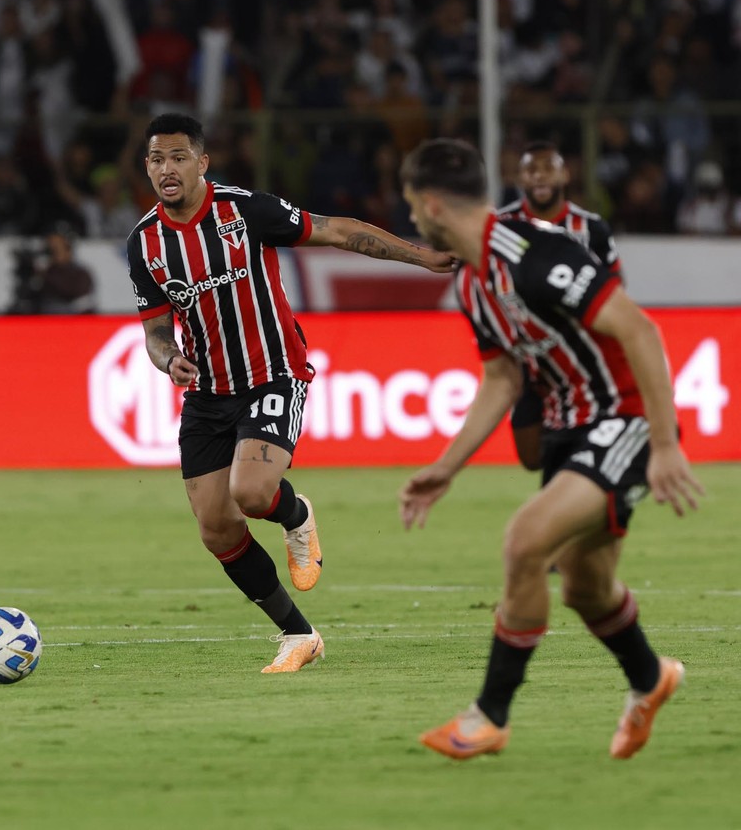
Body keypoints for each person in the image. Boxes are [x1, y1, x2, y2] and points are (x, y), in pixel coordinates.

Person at [397, 138, 703, 760]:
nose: (411, 220)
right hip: (570, 430)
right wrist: (447, 467)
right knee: (588, 589)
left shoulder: (537, 255)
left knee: (525, 541)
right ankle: (651, 680)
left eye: (410, 207)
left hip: (625, 419)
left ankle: (489, 716)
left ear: (431, 204)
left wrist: (666, 444)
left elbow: (640, 329)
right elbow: (504, 378)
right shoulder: (473, 283)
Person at [126, 113, 456, 673]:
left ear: (202, 163)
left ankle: (296, 514)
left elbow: (335, 229)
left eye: (178, 156)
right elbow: (156, 331)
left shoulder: (243, 210)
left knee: (253, 492)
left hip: (273, 373)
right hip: (207, 394)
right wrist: (168, 361)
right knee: (216, 527)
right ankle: (298, 634)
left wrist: (421, 256)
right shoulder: (145, 244)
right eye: (156, 159)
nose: (166, 168)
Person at [498, 141, 624, 471]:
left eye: (547, 168)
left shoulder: (591, 229)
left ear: (565, 175)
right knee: (531, 459)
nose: (539, 176)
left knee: (576, 458)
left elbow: (616, 290)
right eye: (530, 169)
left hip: (581, 365)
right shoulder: (500, 227)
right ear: (519, 178)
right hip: (530, 359)